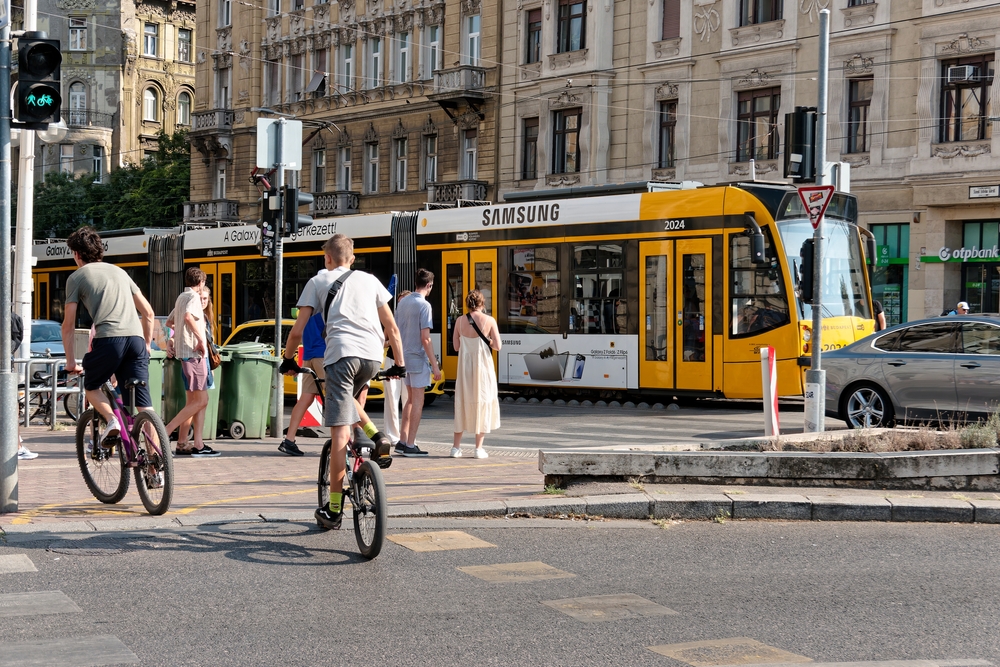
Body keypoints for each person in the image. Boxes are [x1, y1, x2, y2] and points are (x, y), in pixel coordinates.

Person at [280, 234, 404, 530]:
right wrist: (399, 365)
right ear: (353, 257)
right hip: (373, 357)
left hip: (341, 356)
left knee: (338, 435)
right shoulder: (370, 280)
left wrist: (288, 360)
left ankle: (334, 509)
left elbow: (298, 330)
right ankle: (378, 437)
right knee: (347, 398)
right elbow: (392, 327)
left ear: (328, 259)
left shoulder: (318, 281)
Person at [59, 226, 156, 449]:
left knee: (92, 386)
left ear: (76, 254)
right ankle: (155, 467)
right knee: (145, 406)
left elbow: (68, 325)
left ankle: (112, 420)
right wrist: (147, 344)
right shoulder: (120, 272)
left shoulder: (76, 277)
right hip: (136, 340)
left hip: (109, 340)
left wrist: (71, 362)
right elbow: (148, 313)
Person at [163, 267, 220, 457]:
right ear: (201, 282)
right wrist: (200, 339)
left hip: (185, 354)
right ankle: (165, 432)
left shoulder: (182, 297)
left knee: (193, 401)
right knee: (202, 400)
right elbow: (188, 317)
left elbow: (170, 322)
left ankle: (188, 442)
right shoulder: (194, 298)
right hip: (194, 354)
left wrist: (180, 335)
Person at [279, 268, 330, 457]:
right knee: (336, 398)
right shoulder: (327, 302)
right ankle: (344, 443)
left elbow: (298, 330)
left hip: (308, 355)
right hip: (325, 355)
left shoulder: (307, 304)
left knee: (306, 398)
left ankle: (289, 439)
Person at [395, 269, 441, 457]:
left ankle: (402, 440)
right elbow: (426, 338)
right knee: (418, 402)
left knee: (409, 401)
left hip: (404, 357)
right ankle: (411, 444)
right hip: (417, 358)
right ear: (429, 285)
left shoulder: (402, 302)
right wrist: (435, 364)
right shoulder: (424, 306)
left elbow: (396, 331)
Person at [451, 290, 501, 459]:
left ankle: (455, 448)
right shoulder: (490, 320)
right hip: (483, 367)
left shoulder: (459, 321)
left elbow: (456, 347)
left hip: (464, 369)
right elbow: (498, 346)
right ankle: (478, 449)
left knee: (462, 402)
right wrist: (487, 340)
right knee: (482, 401)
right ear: (482, 303)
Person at [382, 290, 411, 445]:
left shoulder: (414, 318)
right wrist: (392, 342)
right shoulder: (392, 319)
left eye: (404, 301)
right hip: (392, 361)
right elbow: (384, 341)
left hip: (409, 363)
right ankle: (393, 435)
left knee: (409, 399)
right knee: (392, 399)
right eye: (399, 302)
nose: (401, 304)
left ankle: (407, 435)